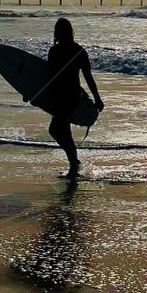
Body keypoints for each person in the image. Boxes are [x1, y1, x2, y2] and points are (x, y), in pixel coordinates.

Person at [46, 17, 103, 179]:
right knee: (64, 131)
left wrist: (35, 94)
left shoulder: (55, 51)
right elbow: (88, 78)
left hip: (62, 96)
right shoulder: (79, 51)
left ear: (57, 33)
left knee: (54, 129)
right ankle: (74, 167)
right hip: (70, 96)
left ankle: (74, 163)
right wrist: (97, 98)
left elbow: (47, 77)